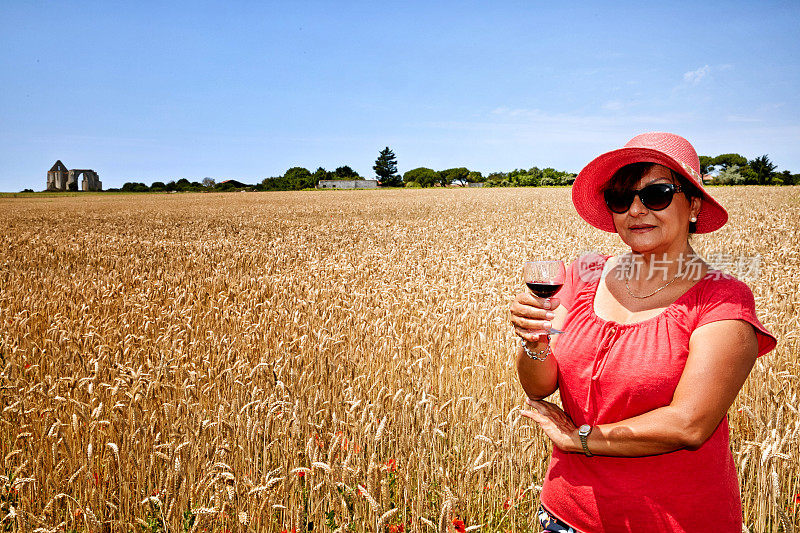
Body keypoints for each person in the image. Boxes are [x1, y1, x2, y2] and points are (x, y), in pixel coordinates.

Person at [509, 132, 776, 532]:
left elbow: (689, 424)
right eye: (621, 197)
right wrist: (535, 343)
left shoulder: (721, 299)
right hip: (567, 513)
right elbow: (539, 388)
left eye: (657, 194)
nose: (636, 209)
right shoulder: (585, 274)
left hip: (674, 521)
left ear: (693, 205)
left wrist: (580, 440)